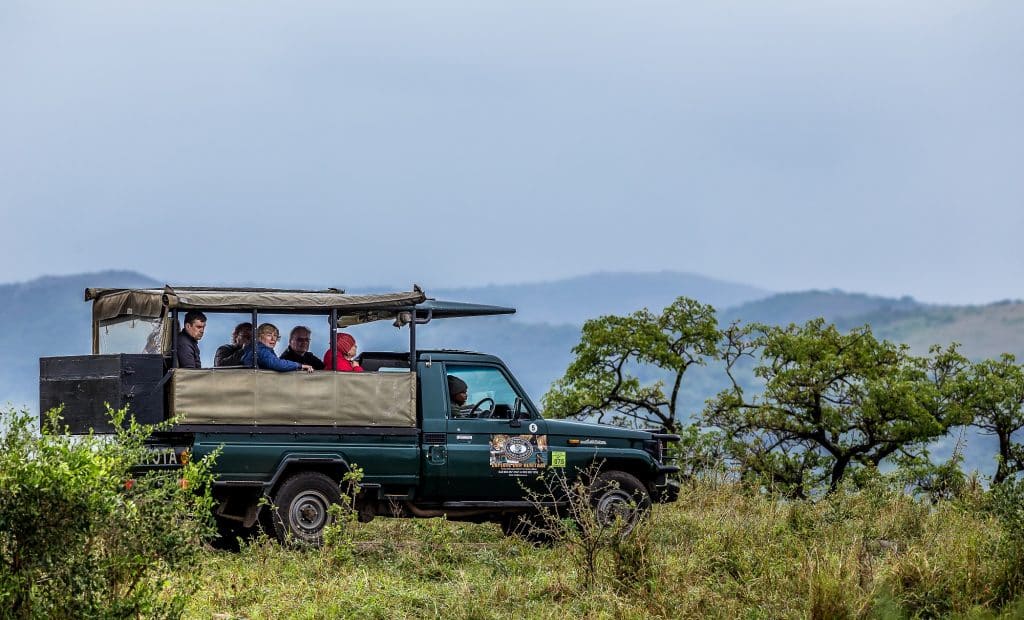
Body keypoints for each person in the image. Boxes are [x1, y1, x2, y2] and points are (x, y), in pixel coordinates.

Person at [241, 323, 315, 373]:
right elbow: (276, 364)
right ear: (259, 337)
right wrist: (299, 365)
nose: (273, 339)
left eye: (275, 336)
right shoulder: (260, 351)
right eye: (269, 335)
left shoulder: (263, 350)